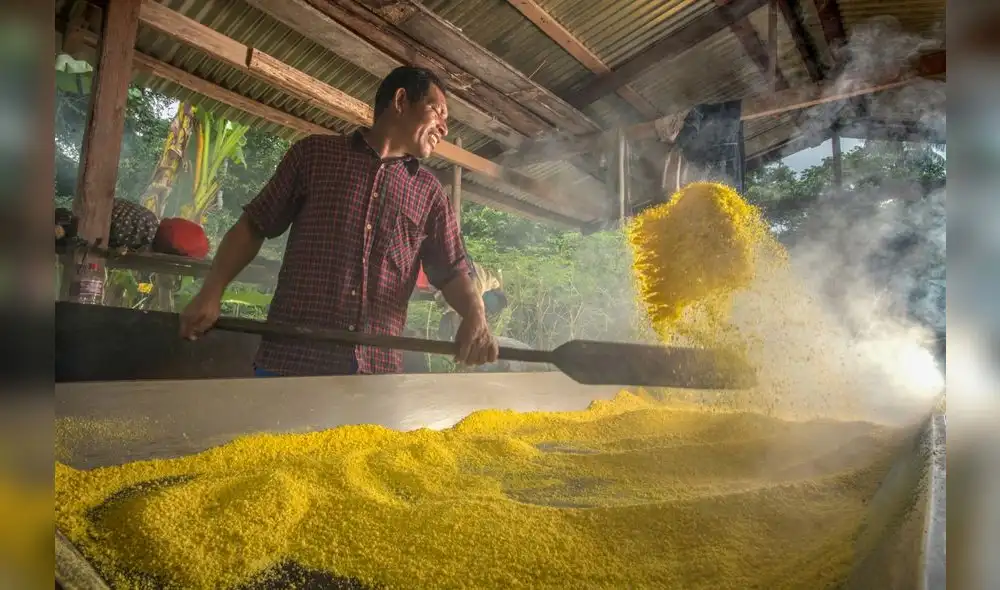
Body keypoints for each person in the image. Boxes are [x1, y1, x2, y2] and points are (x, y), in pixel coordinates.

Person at [179, 66, 499, 376]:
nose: (444, 127)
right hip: (292, 361)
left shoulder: (429, 193)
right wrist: (211, 292)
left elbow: (452, 270)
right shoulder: (314, 155)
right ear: (401, 100)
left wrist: (476, 315)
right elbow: (254, 225)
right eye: (437, 111)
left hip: (374, 372)